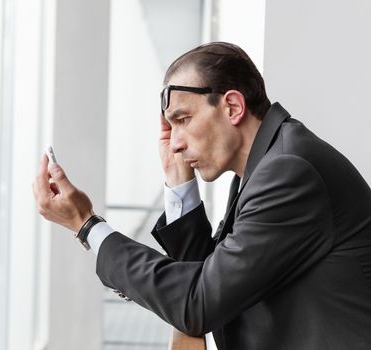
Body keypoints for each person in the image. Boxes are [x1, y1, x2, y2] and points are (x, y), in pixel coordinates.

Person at [32, 42, 371, 350]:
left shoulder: (288, 172)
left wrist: (88, 225)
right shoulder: (268, 163)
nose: (175, 142)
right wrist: (180, 185)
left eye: (183, 119)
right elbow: (214, 276)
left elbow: (199, 304)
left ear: (233, 107)